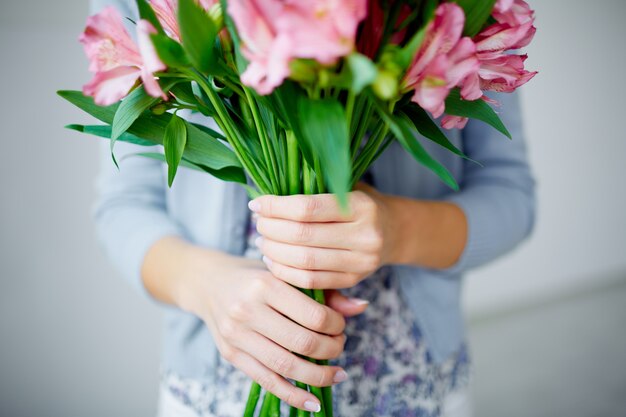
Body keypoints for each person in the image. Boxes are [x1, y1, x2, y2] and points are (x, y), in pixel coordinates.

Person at [92, 1, 536, 416]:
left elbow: (511, 195)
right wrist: (209, 288)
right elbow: (124, 205)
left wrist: (397, 229)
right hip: (214, 389)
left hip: (414, 382)